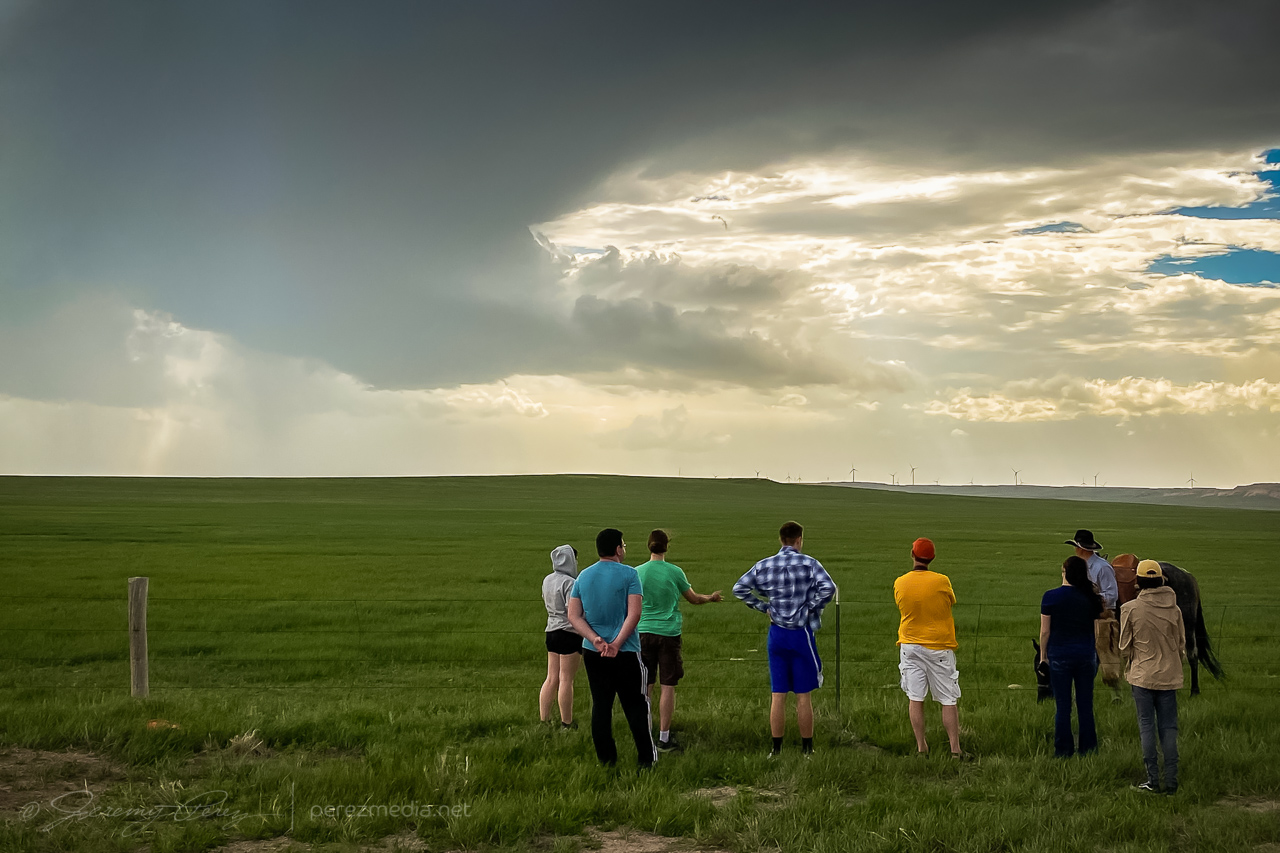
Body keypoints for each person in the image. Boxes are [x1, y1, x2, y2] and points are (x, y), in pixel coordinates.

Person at [733, 520, 836, 756]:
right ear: (799, 540)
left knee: (778, 695)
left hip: (776, 633)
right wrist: (810, 607)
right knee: (803, 695)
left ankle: (776, 749)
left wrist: (764, 607)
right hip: (800, 633)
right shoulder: (809, 563)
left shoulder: (764, 564)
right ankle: (807, 750)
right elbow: (828, 588)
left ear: (781, 540)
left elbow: (739, 588)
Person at [567, 528, 657, 769]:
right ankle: (646, 760)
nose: (624, 549)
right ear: (617, 549)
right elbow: (634, 613)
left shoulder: (584, 576)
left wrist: (595, 639)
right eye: (623, 545)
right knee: (636, 706)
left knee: (601, 706)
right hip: (626, 651)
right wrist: (617, 643)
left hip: (593, 652)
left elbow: (573, 616)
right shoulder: (630, 574)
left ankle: (606, 761)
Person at [636, 528, 722, 753]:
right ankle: (664, 738)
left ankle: (645, 734)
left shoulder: (637, 572)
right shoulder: (675, 572)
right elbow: (693, 599)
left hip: (642, 633)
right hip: (669, 634)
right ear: (667, 547)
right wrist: (711, 598)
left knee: (646, 686)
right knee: (668, 685)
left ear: (648, 546)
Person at [893, 537, 967, 758]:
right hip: (939, 646)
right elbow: (950, 601)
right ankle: (955, 750)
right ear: (932, 558)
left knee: (915, 698)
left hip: (910, 645)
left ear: (912, 555)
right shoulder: (942, 581)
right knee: (948, 699)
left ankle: (921, 747)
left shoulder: (900, 582)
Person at [1119, 560, 1186, 794]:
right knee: (1169, 728)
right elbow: (1181, 644)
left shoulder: (1130, 609)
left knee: (1146, 725)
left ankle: (1152, 780)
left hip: (1142, 676)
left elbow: (1124, 647)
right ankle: (1172, 782)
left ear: (1138, 581)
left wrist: (1133, 661)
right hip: (1169, 676)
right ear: (1161, 580)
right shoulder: (1175, 609)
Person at [1039, 555, 1105, 757]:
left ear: (1065, 573)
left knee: (1063, 706)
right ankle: (1088, 748)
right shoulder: (1090, 598)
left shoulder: (1051, 597)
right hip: (1086, 655)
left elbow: (1045, 632)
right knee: (1085, 705)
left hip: (1060, 655)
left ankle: (1063, 750)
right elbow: (1097, 631)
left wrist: (1043, 656)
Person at [1065, 529, 1122, 692]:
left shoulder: (1102, 567)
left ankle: (1113, 691)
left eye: (1076, 546)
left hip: (1101, 617)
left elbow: (1112, 595)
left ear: (1080, 548)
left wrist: (1089, 599)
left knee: (1104, 653)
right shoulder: (1080, 566)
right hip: (1083, 617)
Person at [540, 544, 581, 729]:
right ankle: (567, 722)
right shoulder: (570, 583)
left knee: (551, 677)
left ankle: (544, 719)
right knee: (566, 679)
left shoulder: (547, 579)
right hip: (568, 633)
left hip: (551, 631)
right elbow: (572, 610)